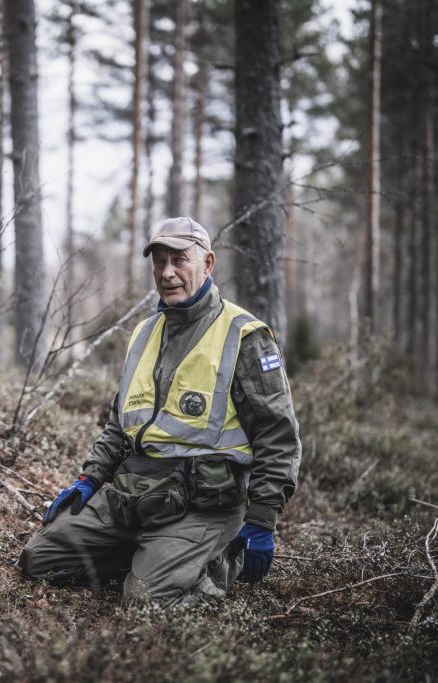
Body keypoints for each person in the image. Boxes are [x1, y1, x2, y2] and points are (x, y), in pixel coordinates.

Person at [18, 216, 301, 608]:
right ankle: (151, 557)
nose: (167, 273)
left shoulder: (244, 335)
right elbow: (119, 425)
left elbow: (278, 436)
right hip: (135, 496)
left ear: (207, 263)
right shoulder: (143, 334)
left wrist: (262, 519)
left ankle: (216, 562)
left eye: (179, 260)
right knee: (39, 559)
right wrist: (89, 478)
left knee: (144, 604)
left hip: (204, 508)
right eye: (159, 262)